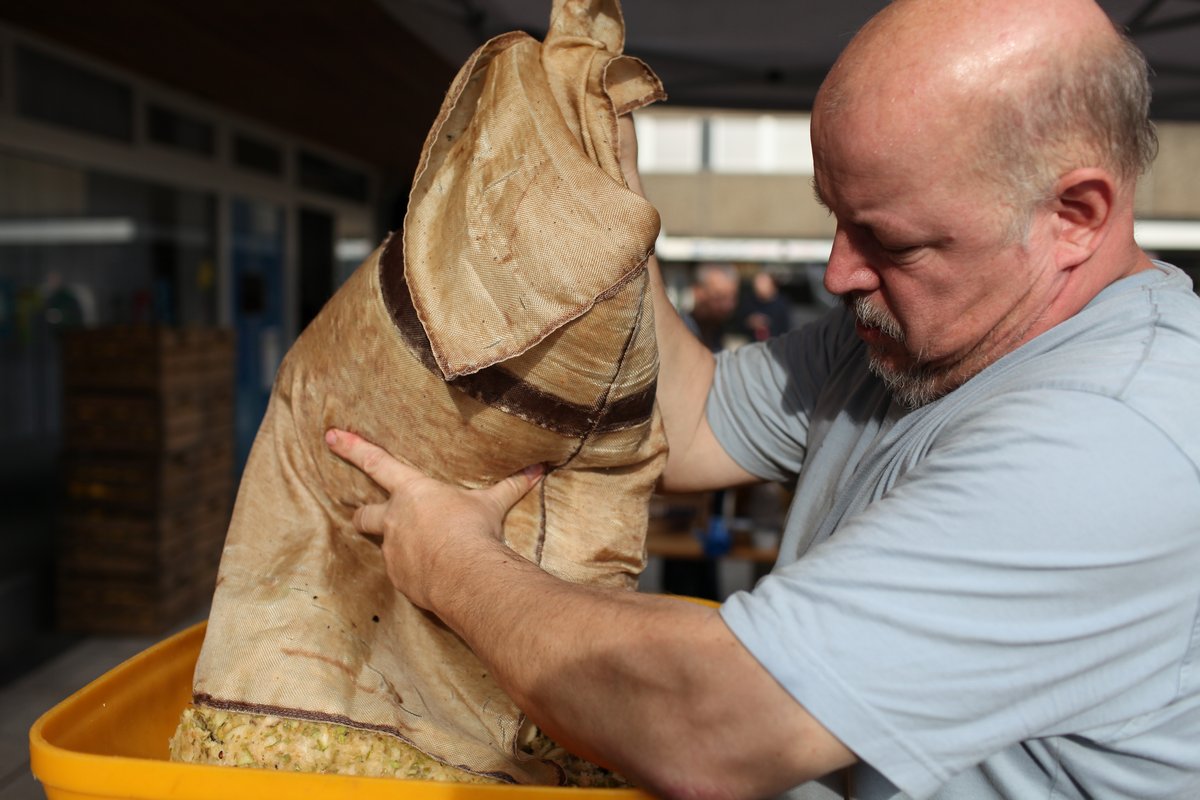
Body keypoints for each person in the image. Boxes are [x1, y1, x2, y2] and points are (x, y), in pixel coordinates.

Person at [324, 0, 1200, 797]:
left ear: (1076, 215)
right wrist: (616, 203)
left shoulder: (1119, 437)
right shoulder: (920, 337)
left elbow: (711, 725)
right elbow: (692, 421)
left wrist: (450, 562)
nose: (838, 273)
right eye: (835, 216)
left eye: (890, 241)